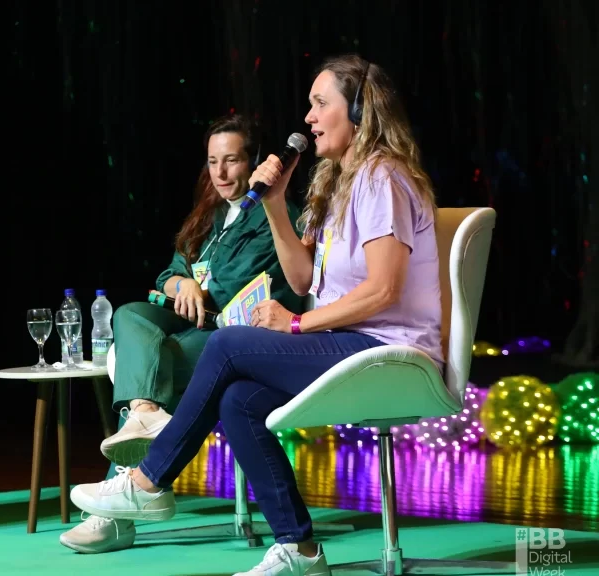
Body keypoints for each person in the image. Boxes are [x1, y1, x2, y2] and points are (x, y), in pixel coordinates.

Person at [67, 54, 443, 576]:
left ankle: (148, 482)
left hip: (389, 350)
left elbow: (383, 290)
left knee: (227, 343)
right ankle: (300, 548)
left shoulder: (381, 177)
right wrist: (274, 200)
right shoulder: (336, 183)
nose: (308, 118)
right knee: (238, 400)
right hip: (350, 342)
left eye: (320, 104)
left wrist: (295, 324)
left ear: (360, 111)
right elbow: (302, 280)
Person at [59, 114, 306, 553]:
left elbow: (236, 288)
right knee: (132, 315)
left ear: (252, 163)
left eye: (232, 161)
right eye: (213, 161)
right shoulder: (208, 213)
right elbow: (169, 273)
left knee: (161, 358)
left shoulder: (274, 213)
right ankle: (145, 412)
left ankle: (115, 513)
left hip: (231, 332)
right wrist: (180, 284)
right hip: (185, 316)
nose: (221, 173)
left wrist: (198, 287)